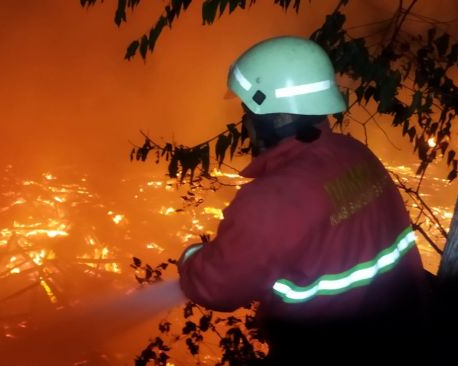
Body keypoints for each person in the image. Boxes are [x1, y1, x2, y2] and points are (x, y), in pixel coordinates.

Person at [177, 36, 430, 364]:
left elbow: (217, 286)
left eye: (249, 112)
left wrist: (191, 259)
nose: (246, 123)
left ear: (278, 119)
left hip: (327, 350)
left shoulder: (272, 199)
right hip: (406, 336)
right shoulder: (355, 154)